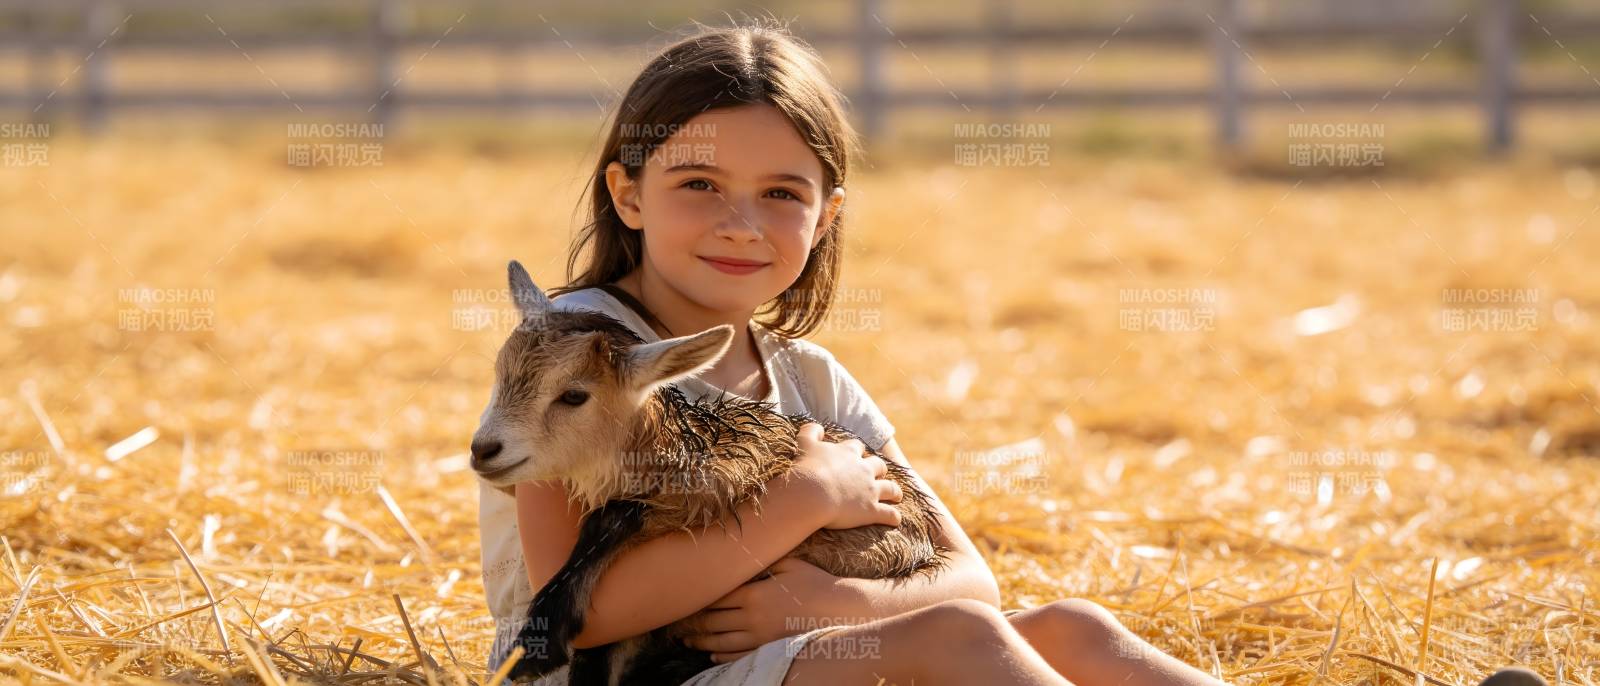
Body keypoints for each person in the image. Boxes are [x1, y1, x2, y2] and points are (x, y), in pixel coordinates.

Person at [477, 20, 1225, 686]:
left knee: (1075, 627)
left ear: (827, 216)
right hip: (633, 673)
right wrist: (804, 499)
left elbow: (969, 577)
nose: (741, 225)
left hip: (812, 653)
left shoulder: (811, 378)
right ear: (629, 194)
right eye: (700, 183)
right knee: (959, 641)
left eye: (781, 194)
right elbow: (579, 612)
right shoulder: (573, 353)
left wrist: (835, 603)